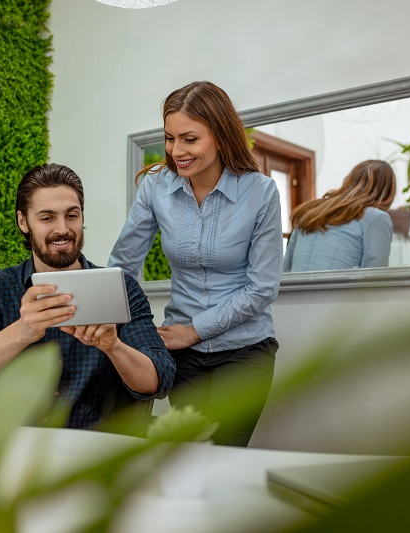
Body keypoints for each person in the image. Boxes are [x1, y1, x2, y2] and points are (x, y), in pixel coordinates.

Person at [108, 81, 283, 447]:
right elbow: (124, 264)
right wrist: (130, 333)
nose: (176, 151)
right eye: (170, 139)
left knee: (227, 456)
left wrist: (196, 329)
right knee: (189, 456)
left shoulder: (260, 193)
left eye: (190, 139)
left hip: (245, 350)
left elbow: (262, 287)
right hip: (182, 355)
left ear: (219, 135)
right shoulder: (156, 188)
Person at [0, 163, 175, 433]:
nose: (62, 229)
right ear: (23, 221)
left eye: (72, 215)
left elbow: (158, 380)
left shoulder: (122, 287)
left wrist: (113, 346)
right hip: (21, 446)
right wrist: (23, 331)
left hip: (100, 449)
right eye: (47, 218)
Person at [283, 160, 396, 273]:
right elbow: (375, 279)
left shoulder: (308, 213)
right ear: (387, 192)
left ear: (350, 180)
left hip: (294, 290)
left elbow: (285, 270)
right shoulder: (376, 218)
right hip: (339, 290)